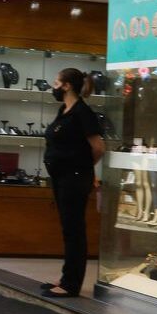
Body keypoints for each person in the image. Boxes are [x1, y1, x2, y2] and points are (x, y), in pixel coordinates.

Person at [40, 68, 105, 298]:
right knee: (68, 229)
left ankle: (71, 284)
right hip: (62, 177)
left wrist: (82, 166)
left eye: (56, 82)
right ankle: (66, 277)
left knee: (74, 230)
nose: (54, 87)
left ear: (67, 86)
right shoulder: (64, 110)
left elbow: (98, 147)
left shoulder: (82, 112)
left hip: (74, 178)